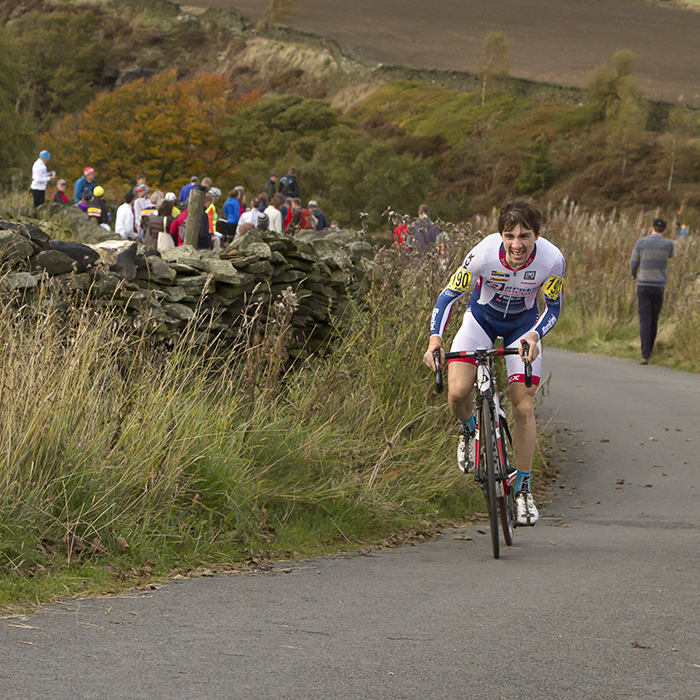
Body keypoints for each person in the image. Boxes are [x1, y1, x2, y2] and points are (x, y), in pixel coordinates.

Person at [423, 198, 565, 527]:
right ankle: (468, 430)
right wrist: (435, 340)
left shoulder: (552, 260)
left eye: (525, 236)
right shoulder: (483, 254)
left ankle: (524, 488)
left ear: (537, 236)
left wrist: (535, 336)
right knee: (458, 392)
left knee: (523, 408)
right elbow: (448, 297)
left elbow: (553, 308)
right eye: (509, 235)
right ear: (500, 235)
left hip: (523, 328)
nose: (516, 244)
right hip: (481, 321)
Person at [630, 217, 675, 365]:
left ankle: (644, 354)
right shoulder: (669, 244)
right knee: (654, 319)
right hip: (659, 285)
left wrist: (633, 273)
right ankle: (650, 350)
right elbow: (671, 256)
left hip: (643, 284)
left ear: (651, 227)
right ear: (665, 230)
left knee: (644, 319)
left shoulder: (641, 243)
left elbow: (634, 261)